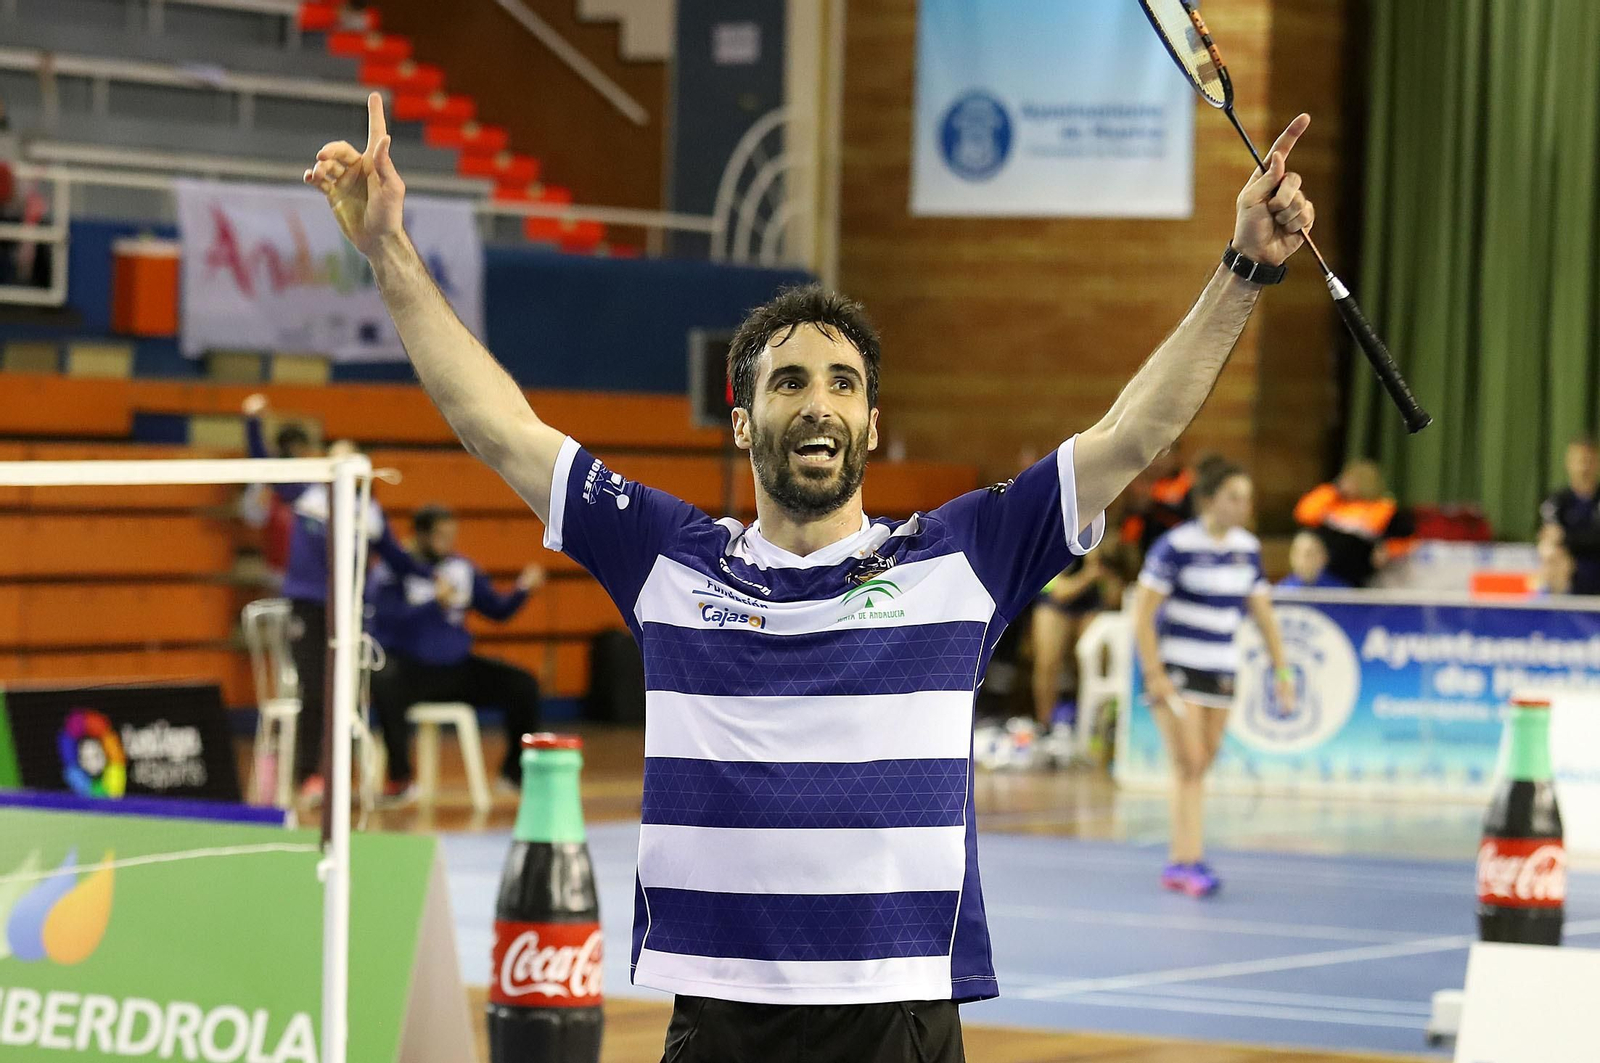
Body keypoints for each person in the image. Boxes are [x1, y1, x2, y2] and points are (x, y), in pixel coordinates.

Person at [304, 93, 1314, 1062]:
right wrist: (389, 249)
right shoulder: (669, 557)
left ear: (871, 422)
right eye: (787, 381)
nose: (817, 401)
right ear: (745, 423)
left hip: (901, 1015)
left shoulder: (962, 556)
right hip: (720, 1016)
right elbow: (499, 427)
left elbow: (1132, 433)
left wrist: (1241, 269)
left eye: (843, 383)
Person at [243, 393, 431, 804]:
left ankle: (380, 777)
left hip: (349, 615)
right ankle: (310, 776)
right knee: (316, 689)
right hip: (308, 608)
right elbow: (263, 464)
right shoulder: (306, 493)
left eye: (347, 458)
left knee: (365, 689)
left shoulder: (371, 513)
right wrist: (254, 424)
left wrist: (436, 578)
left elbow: (400, 561)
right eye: (334, 456)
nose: (338, 462)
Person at [1133, 460, 1295, 898]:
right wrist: (1155, 673)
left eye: (1247, 498)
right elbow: (1143, 615)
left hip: (1222, 671)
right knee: (1187, 764)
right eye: (1233, 497)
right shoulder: (1175, 546)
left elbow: (1262, 613)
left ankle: (1188, 857)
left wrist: (1283, 672)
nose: (1243, 507)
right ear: (1208, 500)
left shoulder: (1247, 548)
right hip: (1179, 670)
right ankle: (1184, 860)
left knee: (1202, 764)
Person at [368, 504, 545, 802]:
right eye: (440, 536)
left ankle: (513, 773)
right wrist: (433, 604)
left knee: (523, 685)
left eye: (452, 536)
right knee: (383, 680)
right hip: (411, 669)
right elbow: (385, 621)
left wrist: (521, 590)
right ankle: (400, 779)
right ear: (420, 535)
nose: (447, 543)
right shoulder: (392, 571)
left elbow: (496, 611)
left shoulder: (462, 568)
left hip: (456, 668)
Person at [1029, 553, 1110, 756]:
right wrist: (1089, 574)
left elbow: (1113, 594)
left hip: (1090, 599)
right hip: (1054, 593)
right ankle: (1045, 726)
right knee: (1048, 662)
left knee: (1095, 662)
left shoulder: (1103, 538)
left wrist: (1098, 565)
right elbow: (1060, 593)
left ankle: (1094, 729)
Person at [1293, 458, 1413, 587]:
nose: (1345, 483)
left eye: (1351, 480)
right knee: (1305, 540)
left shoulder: (1382, 509)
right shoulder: (1333, 503)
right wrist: (1332, 490)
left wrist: (1388, 550)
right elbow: (1304, 514)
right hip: (1323, 565)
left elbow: (1406, 538)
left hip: (1357, 568)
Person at [1538, 435, 1600, 594]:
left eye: (1589, 461)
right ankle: (1560, 610)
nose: (1583, 467)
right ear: (1569, 463)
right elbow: (1552, 535)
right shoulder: (1556, 501)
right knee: (1550, 552)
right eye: (1579, 461)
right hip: (1569, 565)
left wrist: (1566, 536)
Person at [1277, 529, 1349, 589]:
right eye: (1298, 552)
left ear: (1324, 557)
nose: (1303, 558)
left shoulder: (1341, 592)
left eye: (1310, 553)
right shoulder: (1281, 591)